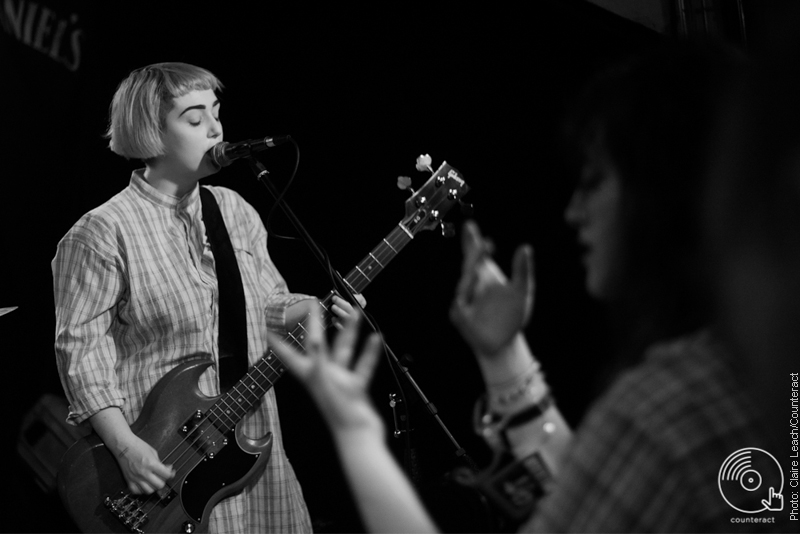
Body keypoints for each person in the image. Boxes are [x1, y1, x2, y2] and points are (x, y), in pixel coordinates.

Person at [270, 42, 790, 532]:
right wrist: (504, 355)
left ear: (664, 193)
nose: (573, 211)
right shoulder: (762, 364)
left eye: (594, 181)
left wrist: (356, 432)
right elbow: (590, 489)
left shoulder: (665, 409)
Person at [52, 62, 363, 533]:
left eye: (216, 113)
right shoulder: (102, 231)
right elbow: (81, 351)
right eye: (194, 118)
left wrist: (315, 312)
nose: (216, 128)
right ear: (151, 130)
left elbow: (267, 306)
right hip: (160, 469)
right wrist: (125, 447)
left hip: (254, 451)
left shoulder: (234, 210)